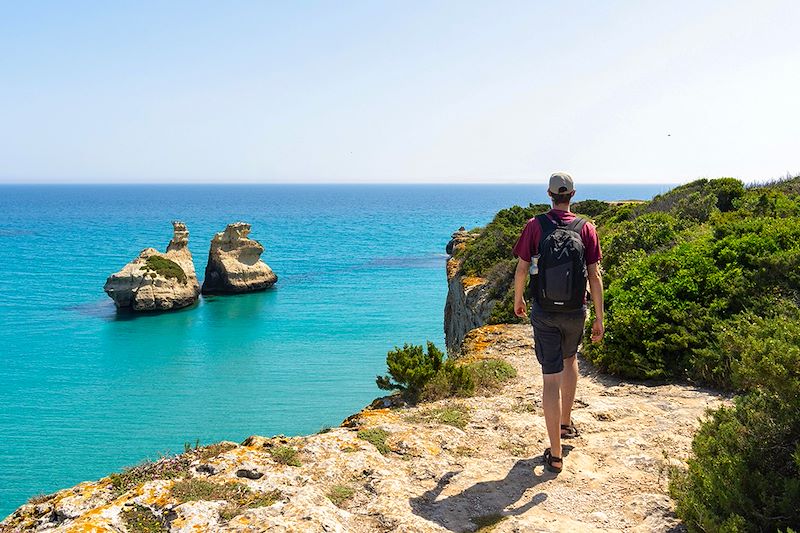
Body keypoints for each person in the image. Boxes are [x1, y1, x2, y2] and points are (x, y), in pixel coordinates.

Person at [512, 172, 604, 474]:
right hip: (576, 311)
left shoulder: (534, 226)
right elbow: (595, 275)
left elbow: (523, 268)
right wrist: (599, 317)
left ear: (549, 195)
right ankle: (566, 424)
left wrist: (519, 299)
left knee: (550, 378)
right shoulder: (586, 228)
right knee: (570, 359)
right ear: (573, 194)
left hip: (544, 311)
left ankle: (555, 455)